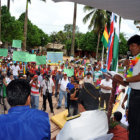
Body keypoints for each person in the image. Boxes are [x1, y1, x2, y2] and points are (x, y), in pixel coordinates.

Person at [123, 35, 140, 140]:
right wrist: (126, 66)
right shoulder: (134, 59)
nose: (131, 48)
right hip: (133, 93)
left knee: (137, 124)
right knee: (132, 122)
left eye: (133, 45)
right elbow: (128, 77)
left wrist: (125, 80)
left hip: (139, 96)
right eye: (130, 46)